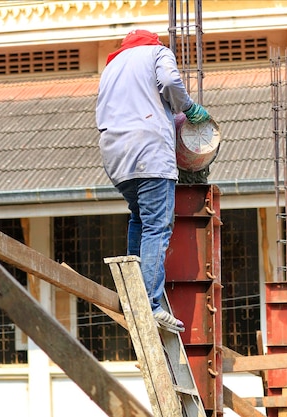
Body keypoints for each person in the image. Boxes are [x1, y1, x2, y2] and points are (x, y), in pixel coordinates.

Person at [96, 29, 210, 332]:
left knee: (140, 219)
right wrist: (187, 107)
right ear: (154, 42)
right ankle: (150, 303)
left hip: (115, 155)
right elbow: (171, 82)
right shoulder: (157, 53)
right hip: (148, 152)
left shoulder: (111, 66)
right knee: (158, 227)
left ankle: (134, 294)